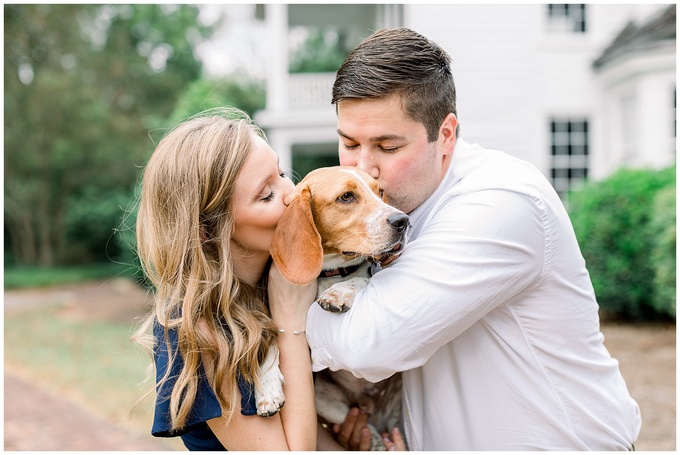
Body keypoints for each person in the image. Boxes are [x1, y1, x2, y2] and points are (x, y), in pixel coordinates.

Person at [304, 28, 642, 450]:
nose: (364, 167)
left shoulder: (501, 201)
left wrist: (287, 318)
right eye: (349, 143)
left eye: (387, 146)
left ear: (445, 135)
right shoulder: (387, 217)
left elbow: (372, 345)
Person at [132, 108, 319, 450]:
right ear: (208, 230)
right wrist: (292, 325)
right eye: (267, 194)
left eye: (282, 173)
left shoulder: (286, 280)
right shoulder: (196, 331)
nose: (292, 192)